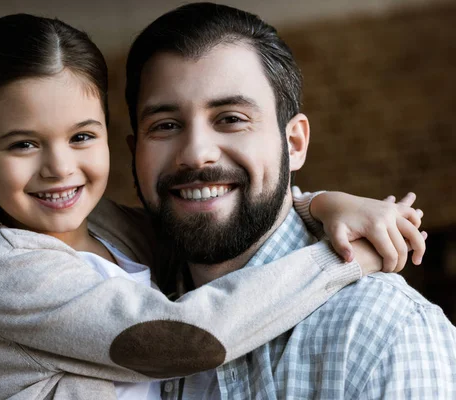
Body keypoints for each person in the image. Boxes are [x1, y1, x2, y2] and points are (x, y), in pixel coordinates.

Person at [0, 14, 426, 400]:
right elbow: (184, 339)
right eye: (23, 145)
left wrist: (321, 204)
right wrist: (345, 259)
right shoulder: (4, 270)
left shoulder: (109, 228)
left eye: (81, 137)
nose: (59, 167)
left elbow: (225, 207)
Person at [122, 3, 456, 399]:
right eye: (165, 125)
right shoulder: (117, 306)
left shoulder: (380, 331)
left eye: (231, 118)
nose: (196, 153)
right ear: (134, 153)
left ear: (294, 143)